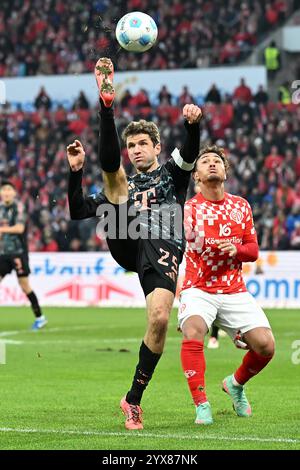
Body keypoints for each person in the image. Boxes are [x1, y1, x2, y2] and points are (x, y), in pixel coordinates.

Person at [67, 57, 202, 430]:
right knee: (117, 185)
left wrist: (193, 125)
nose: (137, 149)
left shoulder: (171, 173)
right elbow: (78, 210)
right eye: (131, 145)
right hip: (125, 236)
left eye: (143, 143)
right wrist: (75, 173)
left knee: (158, 320)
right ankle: (106, 109)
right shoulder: (125, 178)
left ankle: (132, 400)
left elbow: (190, 151)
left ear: (158, 147)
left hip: (163, 243)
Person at [178, 145, 275, 425]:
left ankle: (234, 384)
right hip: (199, 288)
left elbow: (253, 250)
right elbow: (195, 246)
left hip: (234, 289)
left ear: (225, 171)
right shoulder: (190, 209)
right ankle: (202, 404)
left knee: (266, 346)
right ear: (196, 175)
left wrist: (236, 250)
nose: (211, 164)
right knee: (194, 331)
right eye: (205, 161)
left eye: (217, 161)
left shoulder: (240, 205)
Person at [0, 181, 47, 330]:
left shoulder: (19, 207)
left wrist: (1, 229)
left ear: (14, 193)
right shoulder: (0, 209)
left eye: (9, 189)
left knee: (24, 285)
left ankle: (40, 317)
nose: (6, 192)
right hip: (2, 253)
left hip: (18, 253)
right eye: (4, 190)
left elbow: (20, 228)